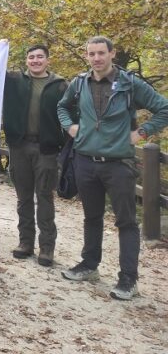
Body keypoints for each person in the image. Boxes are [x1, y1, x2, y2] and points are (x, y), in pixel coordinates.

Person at [57, 36, 168, 300]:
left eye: (101, 53)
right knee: (91, 217)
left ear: (112, 54)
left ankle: (128, 279)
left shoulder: (130, 84)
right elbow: (62, 107)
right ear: (87, 56)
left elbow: (164, 108)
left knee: (126, 222)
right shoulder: (79, 83)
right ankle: (89, 265)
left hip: (118, 164)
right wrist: (70, 126)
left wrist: (141, 132)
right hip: (85, 161)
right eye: (91, 54)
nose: (96, 58)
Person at [3, 44, 67, 266]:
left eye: (40, 57)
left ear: (48, 60)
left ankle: (47, 248)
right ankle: (25, 243)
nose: (36, 60)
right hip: (19, 146)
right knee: (23, 197)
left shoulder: (60, 86)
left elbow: (70, 115)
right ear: (26, 60)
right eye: (31, 57)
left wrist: (63, 144)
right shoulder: (14, 80)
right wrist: (1, 47)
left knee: (45, 197)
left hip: (46, 149)